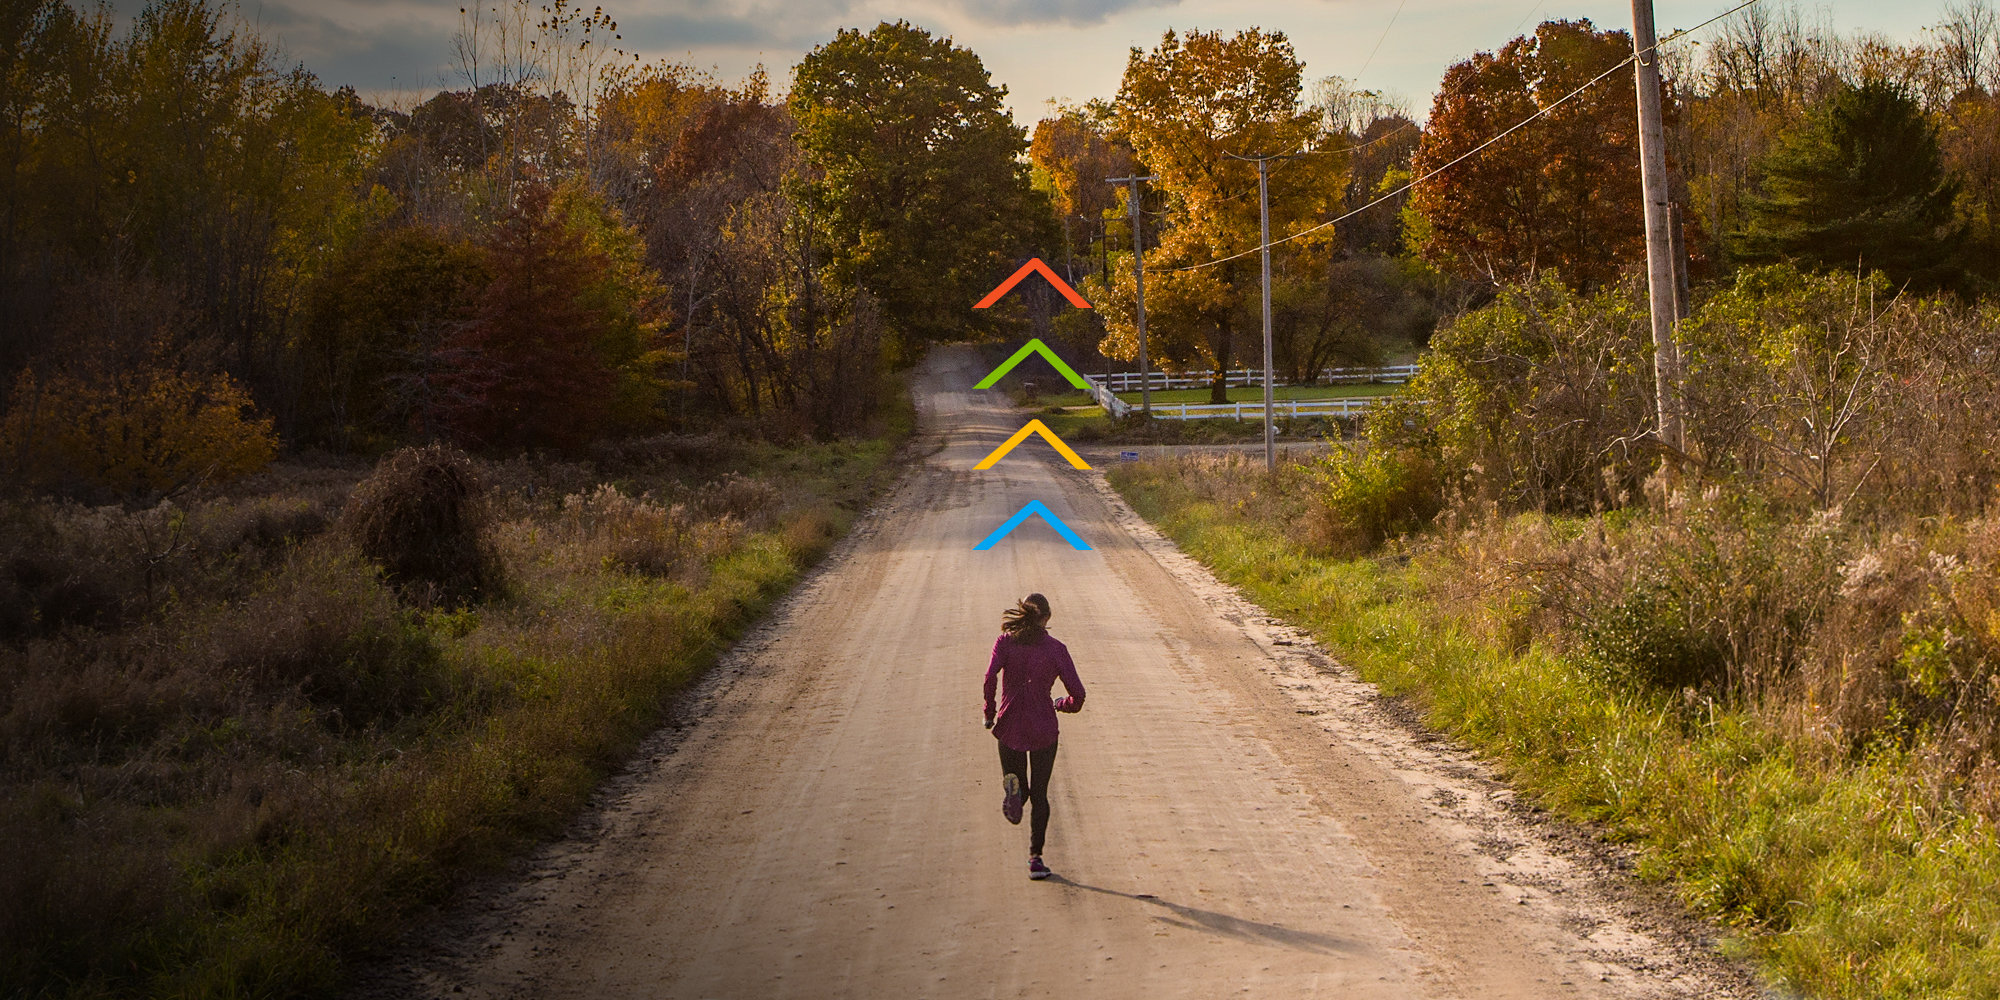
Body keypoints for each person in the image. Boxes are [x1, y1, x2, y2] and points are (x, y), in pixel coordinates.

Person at [982, 592, 1085, 880]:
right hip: (1043, 729)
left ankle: (1015, 792)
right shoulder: (1056, 649)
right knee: (1040, 795)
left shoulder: (1004, 642)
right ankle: (1035, 859)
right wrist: (1060, 704)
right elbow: (1078, 695)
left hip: (1009, 725)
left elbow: (990, 678)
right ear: (1047, 618)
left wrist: (990, 712)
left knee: (1019, 787)